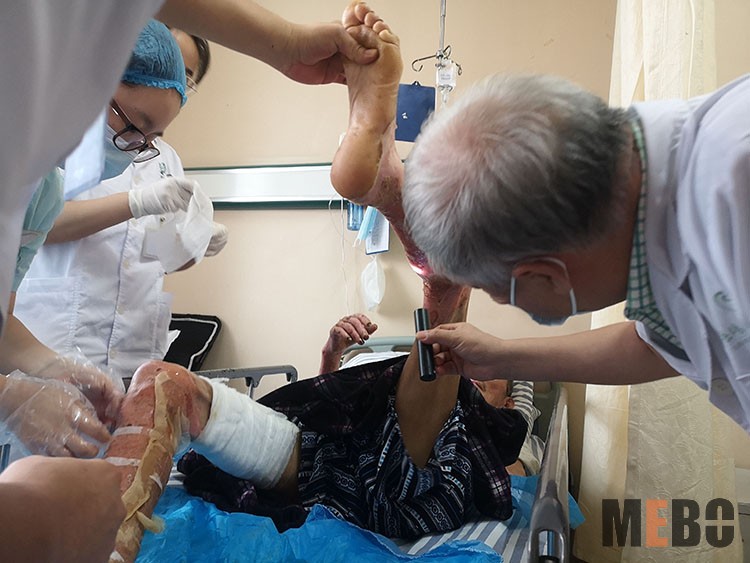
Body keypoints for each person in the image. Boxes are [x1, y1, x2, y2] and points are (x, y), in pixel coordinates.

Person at [0, 2, 380, 560]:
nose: (135, 145)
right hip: (61, 325)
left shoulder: (47, 178)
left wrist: (51, 367)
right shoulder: (25, 147)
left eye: (149, 136)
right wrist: (12, 395)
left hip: (111, 351)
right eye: (131, 126)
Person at [401, 70, 750, 433]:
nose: (505, 302)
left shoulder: (734, 220)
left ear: (544, 275)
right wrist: (499, 358)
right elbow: (659, 344)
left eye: (496, 292)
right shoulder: (659, 176)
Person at [14, 25, 227, 384]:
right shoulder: (50, 148)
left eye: (185, 75)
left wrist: (195, 240)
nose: (170, 75)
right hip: (55, 334)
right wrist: (135, 202)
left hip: (133, 352)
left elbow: (157, 257)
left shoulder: (161, 157)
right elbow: (34, 223)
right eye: (165, 59)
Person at [320, 313, 545, 476]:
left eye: (491, 368)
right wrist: (331, 354)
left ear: (508, 404)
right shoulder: (393, 411)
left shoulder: (508, 442)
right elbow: (325, 431)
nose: (476, 373)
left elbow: (511, 481)